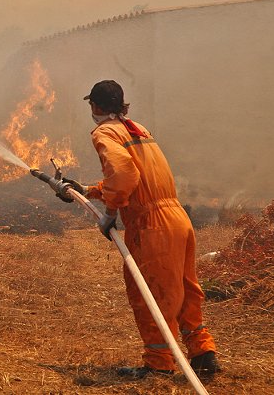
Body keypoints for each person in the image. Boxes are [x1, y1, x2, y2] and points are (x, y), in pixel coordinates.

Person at [77, 80, 220, 378]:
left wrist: (111, 212)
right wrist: (90, 190)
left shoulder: (104, 132)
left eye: (92, 105)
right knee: (184, 289)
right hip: (177, 218)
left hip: (151, 224)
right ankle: (203, 352)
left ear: (96, 106)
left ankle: (158, 364)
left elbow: (124, 175)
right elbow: (138, 177)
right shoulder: (137, 128)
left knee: (153, 293)